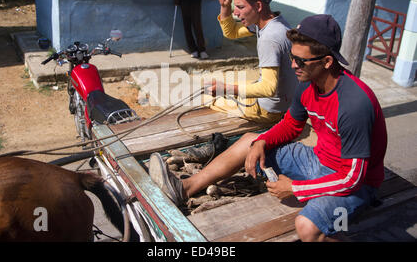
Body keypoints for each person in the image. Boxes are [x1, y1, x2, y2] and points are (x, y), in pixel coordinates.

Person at [149, 14, 387, 242]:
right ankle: (184, 188)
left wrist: (294, 188)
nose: (293, 65)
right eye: (292, 57)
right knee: (250, 140)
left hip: (355, 185)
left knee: (307, 228)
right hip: (317, 160)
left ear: (327, 61)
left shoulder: (354, 104)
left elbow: (352, 178)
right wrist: (263, 142)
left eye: (300, 61)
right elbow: (291, 126)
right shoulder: (308, 84)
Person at [206, 0, 297, 124]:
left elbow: (268, 88)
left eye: (240, 7)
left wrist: (226, 89)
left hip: (269, 110)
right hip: (285, 103)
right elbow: (232, 32)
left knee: (207, 99)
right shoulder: (274, 22)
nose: (235, 12)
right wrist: (225, 6)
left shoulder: (269, 38)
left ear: (258, 6)